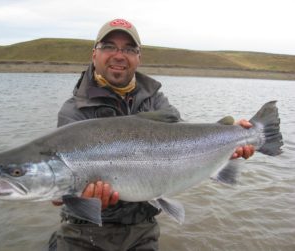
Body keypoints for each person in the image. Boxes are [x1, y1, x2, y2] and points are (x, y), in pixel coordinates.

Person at [48, 18, 255, 251]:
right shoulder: (74, 110)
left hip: (142, 229)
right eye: (109, 47)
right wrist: (66, 195)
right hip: (83, 232)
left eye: (128, 49)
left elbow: (185, 139)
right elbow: (58, 191)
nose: (119, 55)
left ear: (139, 58)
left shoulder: (155, 100)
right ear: (94, 54)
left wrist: (230, 137)